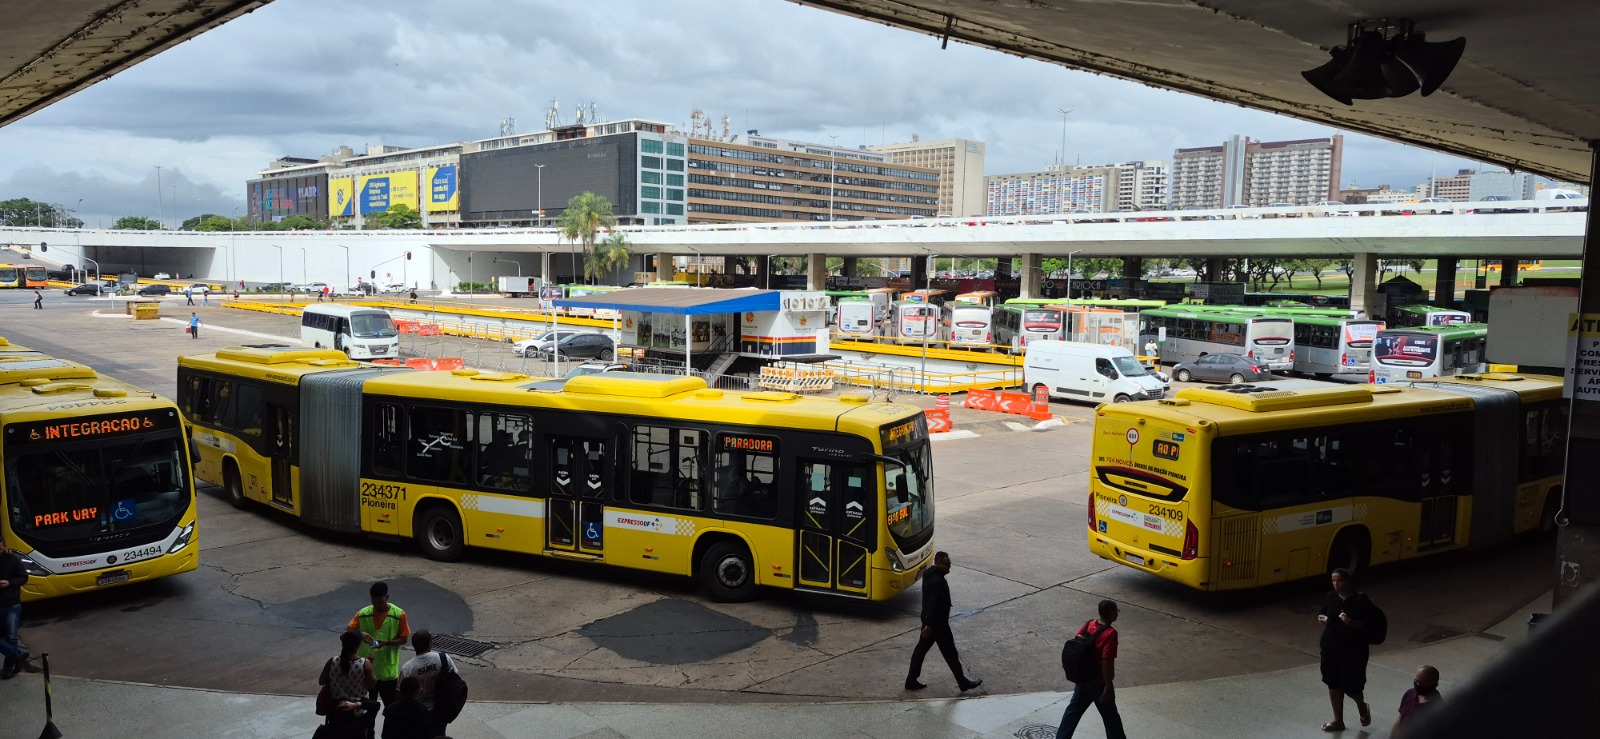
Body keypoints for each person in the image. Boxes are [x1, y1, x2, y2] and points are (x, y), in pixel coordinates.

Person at [904, 551, 982, 693]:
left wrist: (927, 622)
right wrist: (930, 625)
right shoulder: (938, 581)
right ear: (939, 564)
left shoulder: (928, 574)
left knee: (921, 651)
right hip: (937, 625)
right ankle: (963, 683)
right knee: (950, 654)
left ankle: (911, 680)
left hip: (929, 621)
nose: (949, 567)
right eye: (947, 564)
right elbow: (934, 603)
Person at [1055, 600, 1126, 739]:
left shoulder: (1089, 624)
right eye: (1116, 611)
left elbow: (1077, 641)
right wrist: (1108, 685)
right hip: (1098, 683)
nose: (1117, 614)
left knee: (1072, 714)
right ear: (1111, 613)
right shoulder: (1110, 633)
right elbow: (1107, 661)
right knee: (1112, 719)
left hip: (1082, 680)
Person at [1318, 568, 1377, 732]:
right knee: (1333, 682)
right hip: (1331, 647)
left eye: (1340, 581)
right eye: (1333, 581)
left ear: (1348, 581)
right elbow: (1323, 612)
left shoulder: (1360, 599)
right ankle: (1338, 720)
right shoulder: (1330, 597)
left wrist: (1352, 623)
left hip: (1353, 650)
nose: (1336, 584)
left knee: (1351, 685)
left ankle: (1362, 706)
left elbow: (1371, 625)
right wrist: (1322, 619)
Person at [349, 581, 411, 739]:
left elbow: (404, 639)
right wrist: (359, 633)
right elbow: (348, 631)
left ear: (387, 597)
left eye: (381, 601)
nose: (377, 605)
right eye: (374, 601)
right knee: (367, 710)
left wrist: (388, 642)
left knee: (390, 710)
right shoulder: (363, 613)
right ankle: (369, 735)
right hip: (366, 672)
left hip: (388, 673)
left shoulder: (399, 614)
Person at [319, 629, 378, 739]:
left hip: (336, 711)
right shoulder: (365, 663)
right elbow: (372, 685)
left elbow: (321, 681)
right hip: (358, 713)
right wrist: (370, 666)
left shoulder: (332, 661)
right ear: (358, 645)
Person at [399, 630, 453, 737]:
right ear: (430, 644)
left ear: (414, 646)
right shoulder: (443, 659)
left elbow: (400, 693)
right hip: (440, 708)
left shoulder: (408, 668)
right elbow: (454, 680)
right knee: (439, 734)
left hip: (417, 711)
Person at [1, 536, 35, 680]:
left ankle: (8, 667)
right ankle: (18, 655)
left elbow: (23, 578)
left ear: (4, 546)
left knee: (11, 636)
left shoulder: (13, 560)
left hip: (11, 602)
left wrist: (9, 583)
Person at [1392, 665, 1442, 737]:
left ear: (1435, 685)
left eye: (1423, 683)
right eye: (1417, 681)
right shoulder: (1409, 694)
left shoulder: (1437, 709)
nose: (1418, 685)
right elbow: (1399, 720)